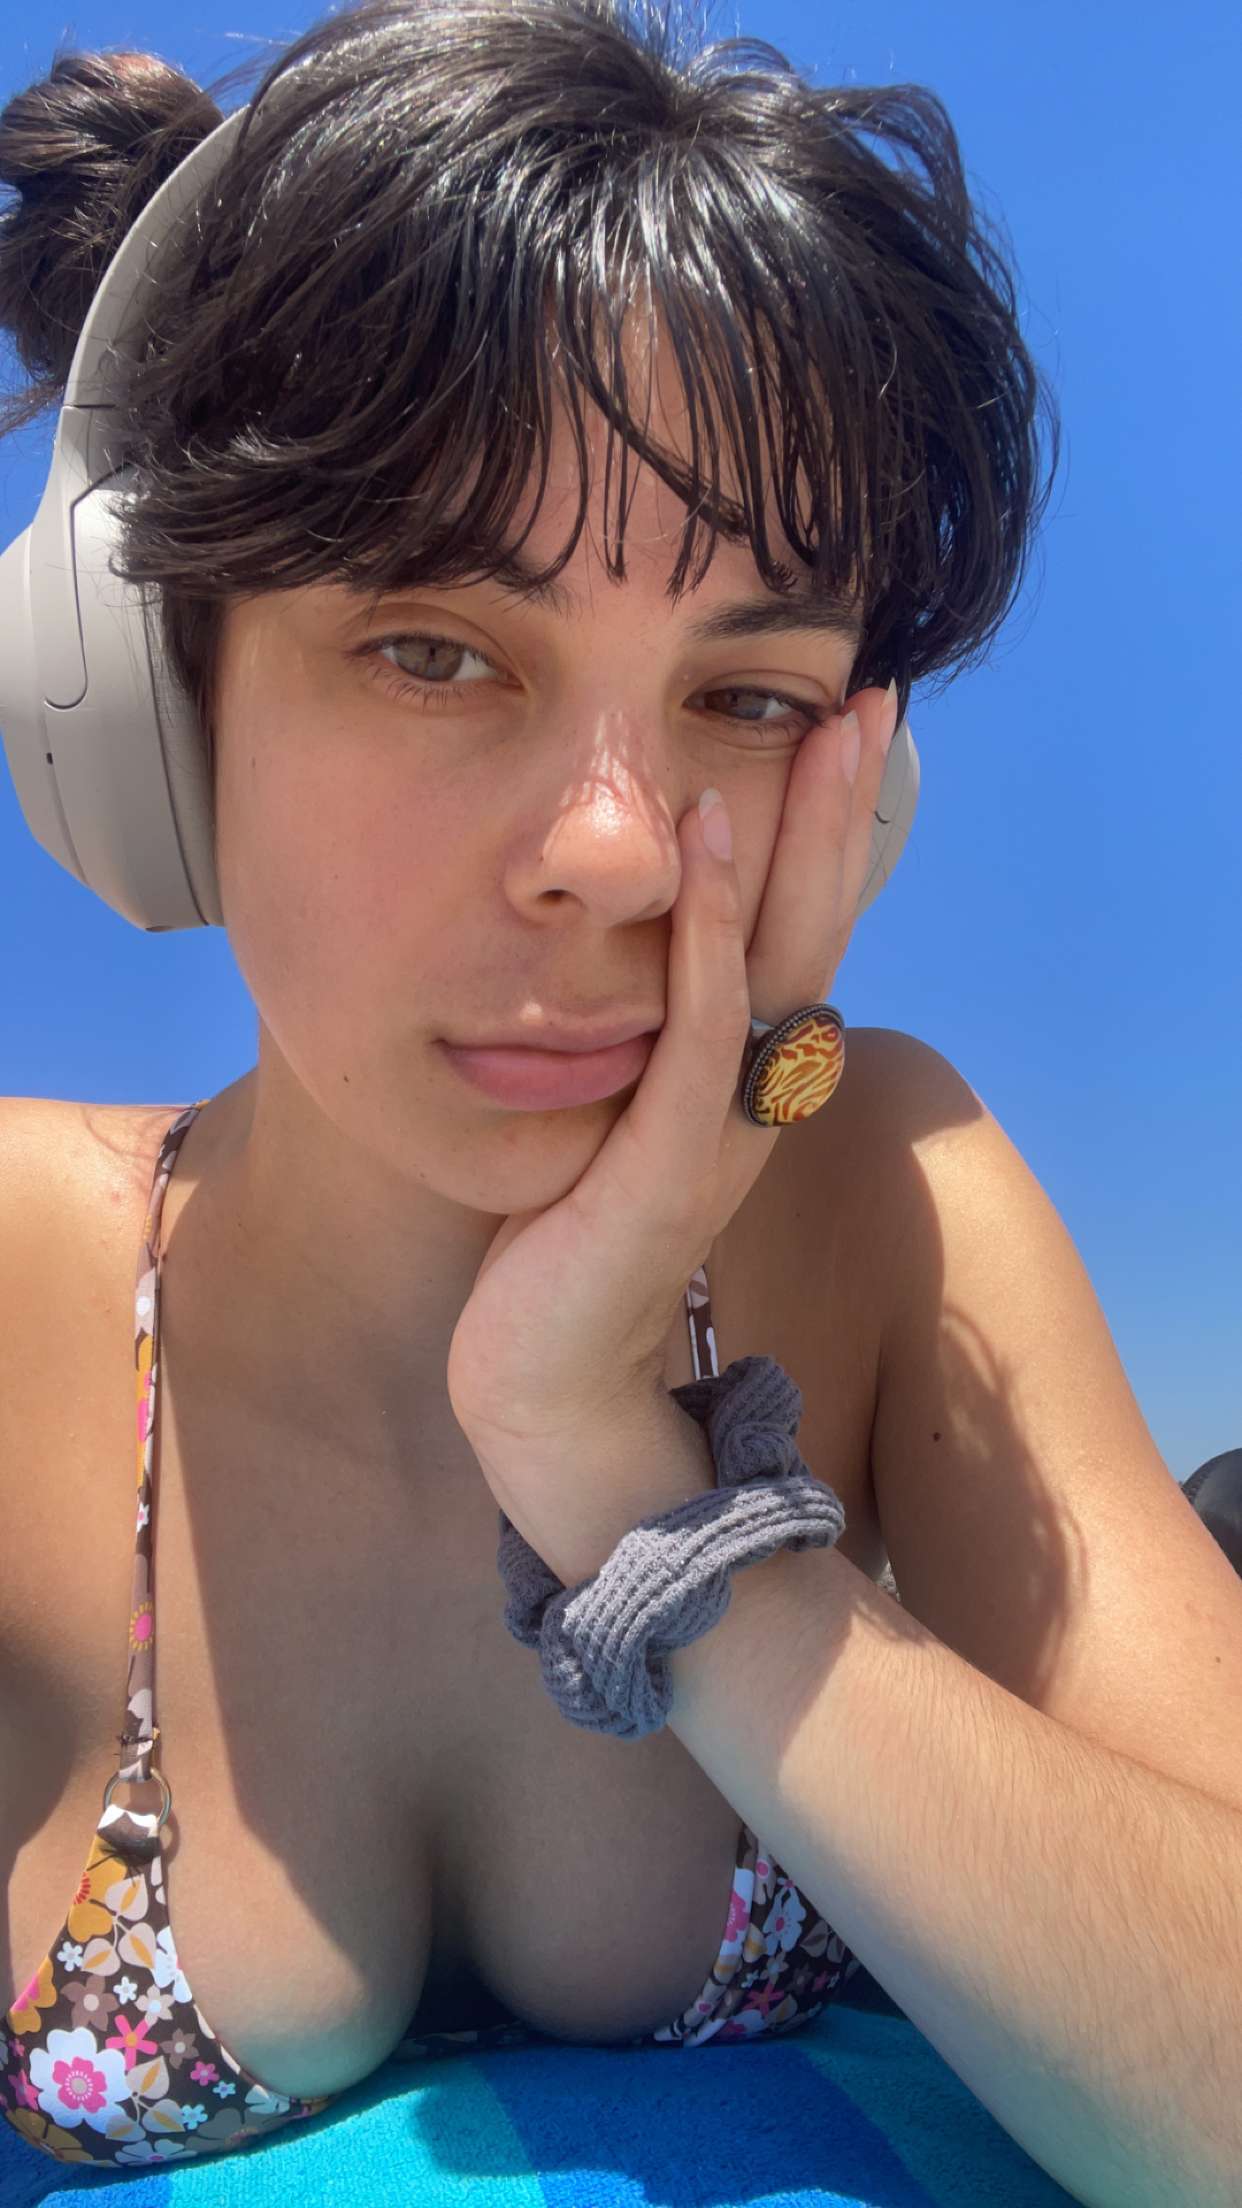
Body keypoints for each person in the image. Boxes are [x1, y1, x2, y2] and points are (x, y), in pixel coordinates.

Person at [2, 3, 1240, 2190]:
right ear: (154, 698)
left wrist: (619, 1475)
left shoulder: (894, 1190)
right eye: (433, 649)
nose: (615, 850)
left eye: (745, 697)